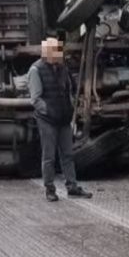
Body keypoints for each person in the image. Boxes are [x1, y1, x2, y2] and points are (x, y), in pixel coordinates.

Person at [28, 38, 92, 202]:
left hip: (63, 118)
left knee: (68, 154)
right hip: (47, 120)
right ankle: (50, 189)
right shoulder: (36, 70)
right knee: (49, 156)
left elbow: (69, 90)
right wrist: (50, 112)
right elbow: (36, 99)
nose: (59, 56)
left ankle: (72, 186)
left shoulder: (63, 68)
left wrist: (70, 110)